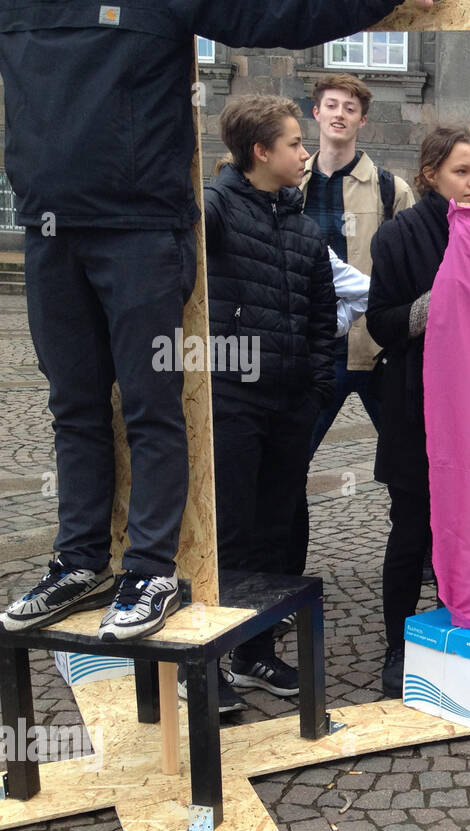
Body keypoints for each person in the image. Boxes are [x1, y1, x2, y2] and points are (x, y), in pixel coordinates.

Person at [0, 0, 427, 639]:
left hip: (141, 228)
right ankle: (79, 560)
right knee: (75, 405)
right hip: (48, 226)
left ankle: (150, 569)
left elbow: (278, 17)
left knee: (151, 403)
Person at [204, 97, 335, 702]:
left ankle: (256, 652)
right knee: (232, 530)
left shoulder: (305, 230)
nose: (305, 153)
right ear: (261, 152)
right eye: (293, 143)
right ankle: (209, 664)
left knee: (279, 531)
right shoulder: (215, 211)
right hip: (231, 402)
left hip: (289, 407)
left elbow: (321, 322)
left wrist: (312, 391)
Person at [368, 127, 470, 698]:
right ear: (431, 174)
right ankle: (399, 644)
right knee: (411, 530)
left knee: (465, 531)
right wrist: (442, 296)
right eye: (462, 171)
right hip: (415, 404)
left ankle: (455, 632)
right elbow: (381, 324)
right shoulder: (398, 235)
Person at [289, 73, 417, 578]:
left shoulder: (391, 188)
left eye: (349, 108)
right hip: (315, 350)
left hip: (378, 349)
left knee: (411, 465)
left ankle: (418, 557)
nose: (339, 114)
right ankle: (283, 569)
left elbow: (411, 266)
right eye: (330, 105)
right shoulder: (288, 182)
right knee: (288, 461)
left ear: (362, 120)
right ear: (315, 113)